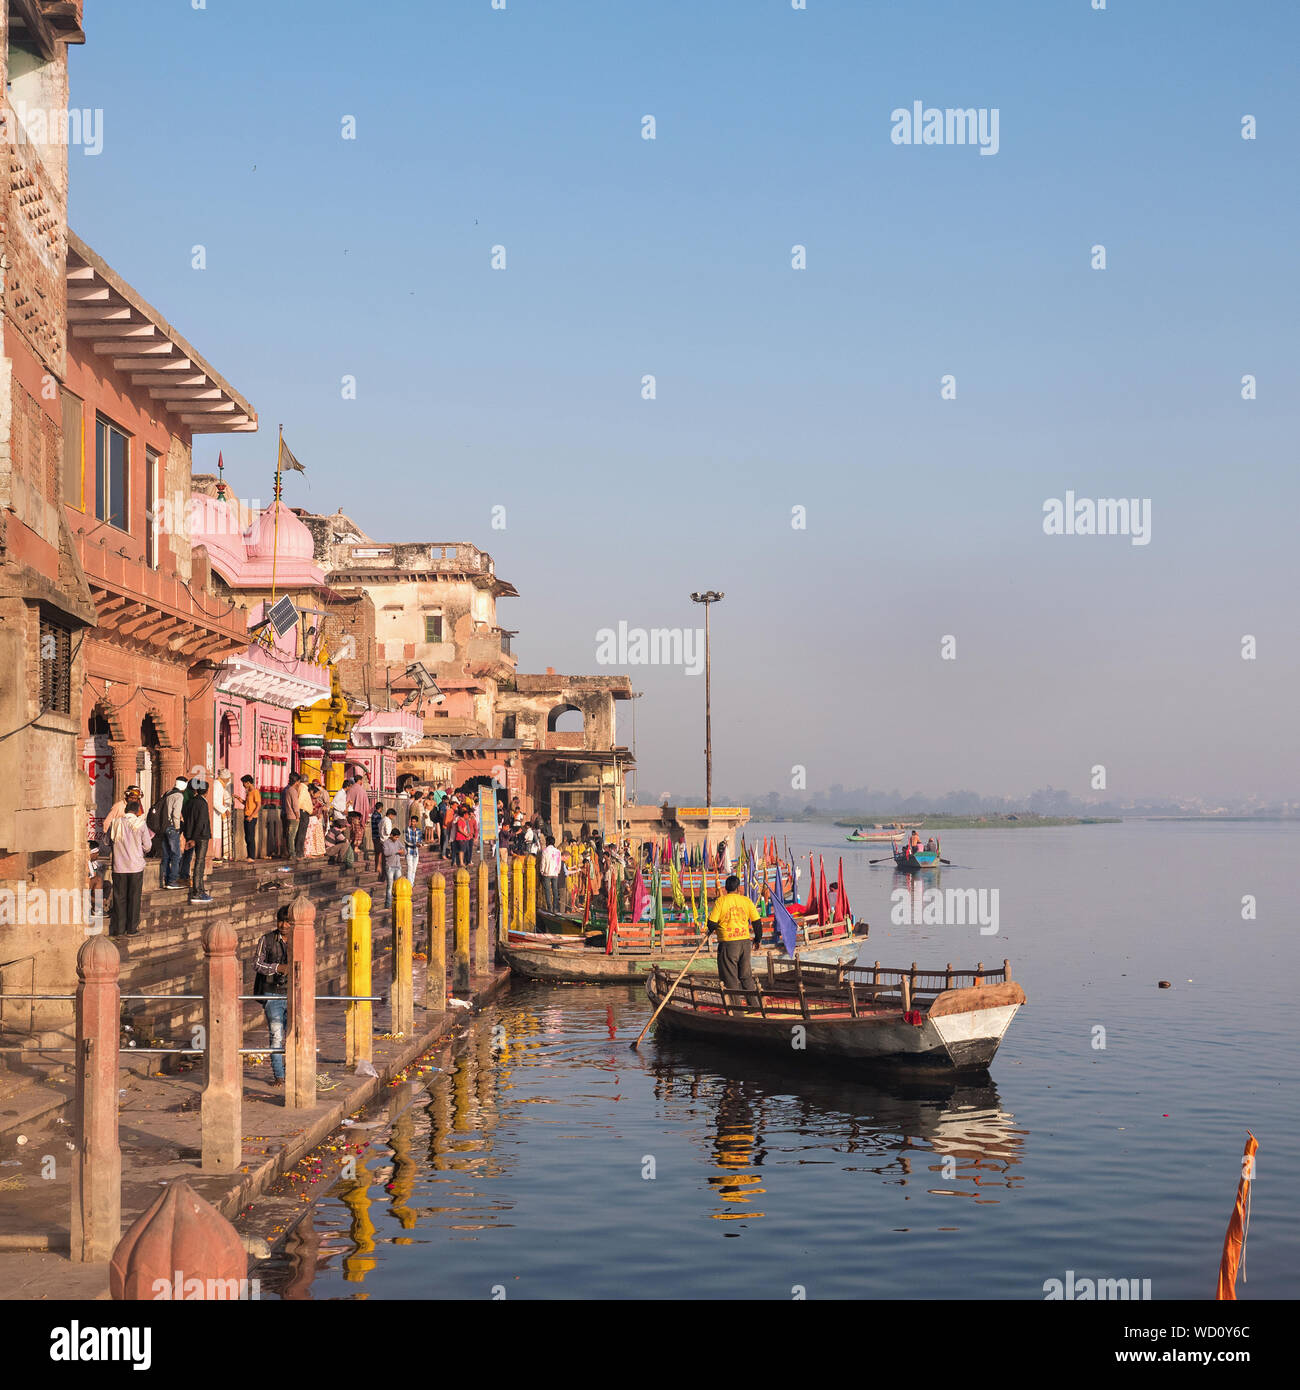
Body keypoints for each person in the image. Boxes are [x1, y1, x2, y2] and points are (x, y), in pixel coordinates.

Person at [708, 874, 761, 1011]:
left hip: (729, 944)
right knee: (746, 976)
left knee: (730, 978)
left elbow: (711, 923)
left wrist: (715, 928)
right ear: (738, 888)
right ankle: (754, 1007)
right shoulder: (746, 901)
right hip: (745, 942)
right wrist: (757, 939)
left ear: (726, 888)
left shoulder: (721, 901)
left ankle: (736, 1010)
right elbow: (757, 922)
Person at [252, 906, 291, 1087]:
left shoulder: (299, 940)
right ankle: (279, 1075)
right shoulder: (266, 940)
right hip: (272, 993)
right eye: (281, 921)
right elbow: (257, 964)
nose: (284, 925)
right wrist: (277, 968)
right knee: (276, 1035)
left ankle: (291, 1070)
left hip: (292, 994)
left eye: (288, 921)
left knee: (292, 1036)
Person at [109, 796, 152, 936]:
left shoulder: (115, 823)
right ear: (136, 811)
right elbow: (148, 846)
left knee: (119, 898)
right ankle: (132, 929)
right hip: (135, 866)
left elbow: (107, 841)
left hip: (119, 866)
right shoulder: (140, 824)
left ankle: (119, 929)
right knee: (134, 897)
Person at [183, 779, 213, 903]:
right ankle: (198, 892)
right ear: (206, 792)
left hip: (192, 835)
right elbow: (201, 822)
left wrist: (189, 837)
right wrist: (194, 839)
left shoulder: (191, 802)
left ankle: (200, 889)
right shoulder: (202, 803)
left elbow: (188, 819)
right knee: (199, 864)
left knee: (198, 864)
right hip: (201, 836)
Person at [160, 778, 187, 889]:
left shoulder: (167, 793)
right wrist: (177, 828)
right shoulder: (179, 796)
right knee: (176, 855)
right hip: (172, 827)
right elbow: (175, 814)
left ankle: (166, 879)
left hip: (164, 827)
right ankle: (172, 881)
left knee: (166, 855)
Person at [539, 834, 563, 914]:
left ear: (547, 842)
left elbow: (543, 862)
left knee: (548, 892)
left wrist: (542, 871)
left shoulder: (545, 851)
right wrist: (558, 871)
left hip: (547, 873)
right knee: (555, 891)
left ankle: (550, 908)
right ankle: (555, 909)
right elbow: (559, 863)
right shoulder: (558, 851)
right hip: (555, 873)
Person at [239, 775, 260, 860]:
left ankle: (252, 856)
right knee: (247, 837)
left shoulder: (255, 792)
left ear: (248, 783)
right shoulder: (248, 792)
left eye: (244, 783)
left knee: (250, 837)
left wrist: (251, 816)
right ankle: (249, 855)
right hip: (246, 815)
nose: (243, 785)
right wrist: (239, 798)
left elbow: (258, 806)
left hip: (252, 817)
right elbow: (246, 803)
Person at [382, 827, 404, 907]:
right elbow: (386, 853)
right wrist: (397, 851)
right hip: (390, 867)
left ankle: (397, 902)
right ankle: (388, 904)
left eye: (398, 837)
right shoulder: (386, 843)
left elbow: (404, 850)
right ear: (391, 835)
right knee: (390, 886)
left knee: (398, 885)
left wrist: (403, 851)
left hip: (398, 866)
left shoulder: (398, 842)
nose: (397, 838)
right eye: (396, 837)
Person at [281, 773, 300, 861]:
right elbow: (295, 805)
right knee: (292, 836)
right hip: (293, 816)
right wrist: (297, 816)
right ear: (296, 781)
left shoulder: (287, 790)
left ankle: (289, 853)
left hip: (288, 814)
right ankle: (292, 854)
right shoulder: (293, 791)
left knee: (289, 835)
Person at [293, 776, 313, 860]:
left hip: (304, 812)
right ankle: (299, 852)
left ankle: (299, 852)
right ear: (307, 781)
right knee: (301, 833)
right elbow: (299, 801)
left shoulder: (302, 788)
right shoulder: (303, 788)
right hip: (303, 812)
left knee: (301, 833)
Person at [452, 801, 477, 867]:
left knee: (467, 849)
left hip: (469, 836)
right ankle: (461, 862)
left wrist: (474, 835)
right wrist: (466, 834)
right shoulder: (459, 818)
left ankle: (467, 861)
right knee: (462, 850)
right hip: (461, 837)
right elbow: (459, 828)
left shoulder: (470, 818)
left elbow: (475, 827)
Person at [404, 800, 423, 882]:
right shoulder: (407, 830)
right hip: (409, 852)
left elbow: (420, 841)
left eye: (414, 821)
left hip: (416, 852)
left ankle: (412, 883)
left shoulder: (419, 831)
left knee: (414, 869)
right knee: (410, 868)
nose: (413, 823)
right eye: (412, 821)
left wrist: (420, 844)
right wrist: (415, 844)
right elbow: (406, 841)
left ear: (417, 822)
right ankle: (409, 884)